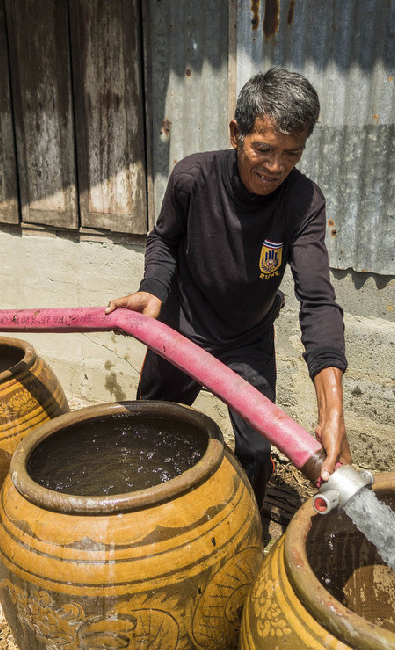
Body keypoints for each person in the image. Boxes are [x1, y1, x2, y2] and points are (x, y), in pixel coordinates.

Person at [106, 67, 351, 509]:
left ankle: (247, 526)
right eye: (264, 149)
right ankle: (146, 511)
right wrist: (153, 288)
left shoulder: (303, 203)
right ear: (236, 132)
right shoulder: (192, 178)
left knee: (257, 449)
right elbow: (164, 240)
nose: (276, 167)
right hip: (181, 327)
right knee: (151, 425)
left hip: (247, 338)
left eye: (292, 154)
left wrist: (332, 410)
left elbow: (317, 300)